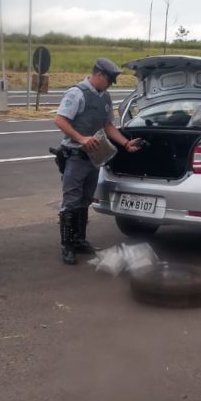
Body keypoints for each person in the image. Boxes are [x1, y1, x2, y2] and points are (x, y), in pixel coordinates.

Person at [54, 58, 143, 265]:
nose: (110, 85)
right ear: (99, 75)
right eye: (109, 80)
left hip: (94, 159)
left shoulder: (105, 97)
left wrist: (125, 143)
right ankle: (67, 246)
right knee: (71, 202)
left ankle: (79, 240)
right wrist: (81, 138)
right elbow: (59, 120)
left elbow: (107, 125)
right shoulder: (77, 94)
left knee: (85, 201)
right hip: (75, 156)